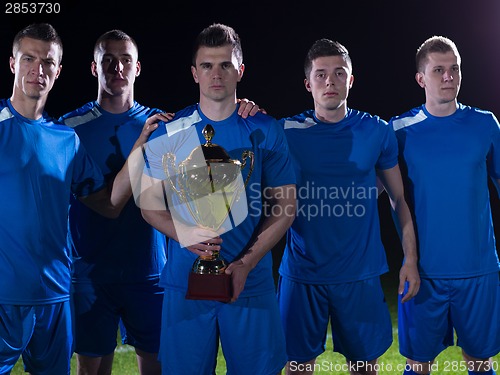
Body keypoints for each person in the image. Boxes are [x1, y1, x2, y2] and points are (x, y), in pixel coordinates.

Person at [137, 23, 296, 375]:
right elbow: (148, 204)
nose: (216, 74)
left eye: (226, 64)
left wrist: (246, 264)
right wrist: (184, 234)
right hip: (185, 283)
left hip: (249, 282)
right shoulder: (171, 130)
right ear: (194, 73)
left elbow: (286, 208)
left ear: (240, 71)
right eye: (207, 65)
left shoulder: (265, 129)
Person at [0, 23, 159, 375]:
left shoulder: (65, 138)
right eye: (29, 59)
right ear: (13, 63)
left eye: (47, 62)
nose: (37, 70)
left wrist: (140, 145)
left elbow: (109, 203)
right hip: (5, 296)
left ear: (58, 70)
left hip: (56, 296)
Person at [276, 38, 420, 375]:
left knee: (364, 368)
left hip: (359, 274)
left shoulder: (376, 130)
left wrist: (410, 259)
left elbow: (398, 198)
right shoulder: (285, 131)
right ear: (308, 83)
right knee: (297, 368)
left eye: (339, 73)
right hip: (302, 273)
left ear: (351, 80)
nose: (330, 81)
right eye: (321, 74)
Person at [389, 36, 500, 375]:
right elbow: (376, 193)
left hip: (478, 270)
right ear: (421, 78)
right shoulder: (399, 129)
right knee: (418, 366)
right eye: (439, 70)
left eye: (454, 69)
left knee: (480, 365)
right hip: (422, 272)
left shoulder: (486, 124)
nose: (448, 76)